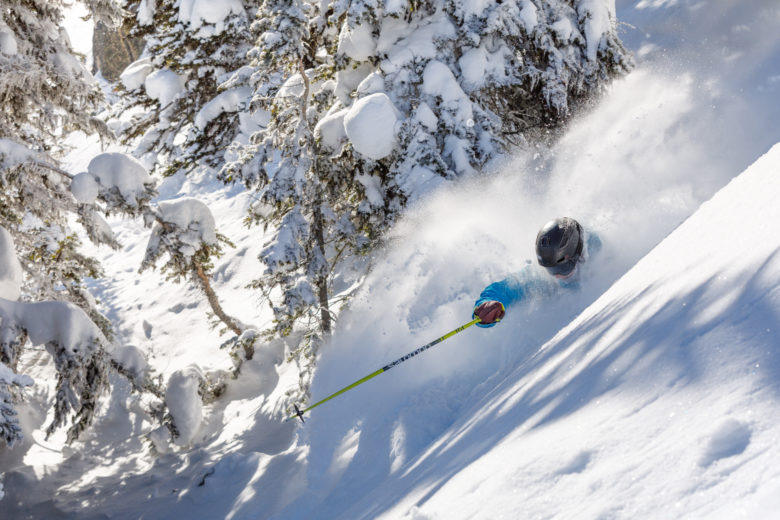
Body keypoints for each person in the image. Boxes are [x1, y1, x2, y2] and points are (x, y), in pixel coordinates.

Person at [472, 217, 601, 327]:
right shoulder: (540, 279)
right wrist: (487, 304)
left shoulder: (598, 251)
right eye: (550, 269)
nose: (556, 275)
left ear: (578, 255)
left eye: (561, 268)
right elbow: (505, 289)